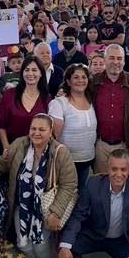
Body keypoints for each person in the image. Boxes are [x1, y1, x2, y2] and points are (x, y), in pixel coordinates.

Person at [0, 114, 78, 258]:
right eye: (33, 128)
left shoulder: (60, 152)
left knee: (40, 244)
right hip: (23, 207)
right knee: (23, 243)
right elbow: (0, 166)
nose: (36, 133)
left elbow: (69, 185)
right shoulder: (19, 145)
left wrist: (55, 212)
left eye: (42, 129)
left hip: (46, 208)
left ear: (51, 132)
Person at [49, 64, 99, 193]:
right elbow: (54, 138)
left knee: (83, 198)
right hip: (67, 163)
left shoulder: (92, 101)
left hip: (88, 161)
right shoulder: (59, 103)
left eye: (84, 77)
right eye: (75, 77)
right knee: (67, 199)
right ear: (68, 81)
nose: (80, 80)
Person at [92, 44, 129, 174]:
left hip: (124, 144)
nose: (116, 62)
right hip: (101, 144)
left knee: (123, 181)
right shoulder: (93, 82)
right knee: (101, 182)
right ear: (105, 59)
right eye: (112, 58)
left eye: (119, 58)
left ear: (124, 61)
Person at [0, 54, 50, 146]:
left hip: (39, 149)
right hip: (13, 150)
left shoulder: (47, 98)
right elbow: (1, 126)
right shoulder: (9, 95)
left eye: (34, 70)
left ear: (41, 73)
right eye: (27, 70)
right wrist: (6, 148)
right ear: (22, 73)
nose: (30, 74)